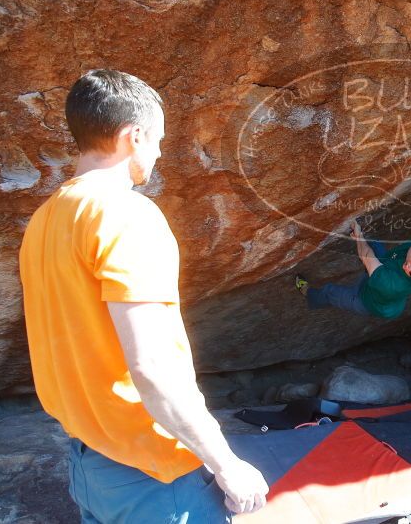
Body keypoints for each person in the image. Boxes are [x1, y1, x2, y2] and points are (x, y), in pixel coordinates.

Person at [19, 69, 268, 522]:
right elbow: (151, 368)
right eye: (157, 140)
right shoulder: (125, 216)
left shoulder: (43, 221)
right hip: (154, 476)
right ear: (132, 136)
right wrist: (227, 465)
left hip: (89, 462)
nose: (157, 154)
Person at [296, 138, 411, 319]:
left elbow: (365, 256)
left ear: (407, 267)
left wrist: (358, 236)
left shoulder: (389, 283)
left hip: (367, 301)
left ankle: (309, 295)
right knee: (375, 245)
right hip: (384, 270)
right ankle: (370, 266)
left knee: (330, 292)